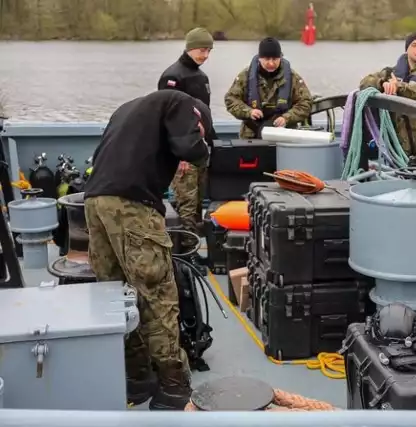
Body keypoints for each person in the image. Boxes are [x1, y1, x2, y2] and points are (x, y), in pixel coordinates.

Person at [83, 89, 212, 410]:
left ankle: (137, 379)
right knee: (156, 293)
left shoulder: (128, 108)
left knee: (115, 294)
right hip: (132, 206)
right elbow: (190, 146)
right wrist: (203, 149)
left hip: (94, 201)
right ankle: (173, 387)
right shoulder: (182, 103)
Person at [158, 27, 216, 258]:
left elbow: (204, 114)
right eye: (203, 49)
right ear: (190, 47)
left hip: (200, 149)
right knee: (186, 206)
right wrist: (178, 154)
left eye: (209, 50)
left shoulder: (201, 77)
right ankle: (185, 257)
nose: (206, 55)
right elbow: (166, 118)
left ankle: (191, 251)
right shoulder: (173, 76)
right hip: (183, 152)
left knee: (199, 204)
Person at [359, 32, 416, 173]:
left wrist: (399, 87)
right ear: (407, 49)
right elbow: (364, 83)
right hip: (396, 143)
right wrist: (383, 84)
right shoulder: (391, 73)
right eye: (415, 45)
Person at [224, 37, 313, 139]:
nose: (271, 63)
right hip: (252, 135)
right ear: (260, 58)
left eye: (275, 59)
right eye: (267, 59)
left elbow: (306, 103)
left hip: (284, 134)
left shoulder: (293, 78)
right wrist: (249, 112)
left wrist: (286, 117)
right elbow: (230, 100)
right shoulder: (245, 76)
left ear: (280, 57)